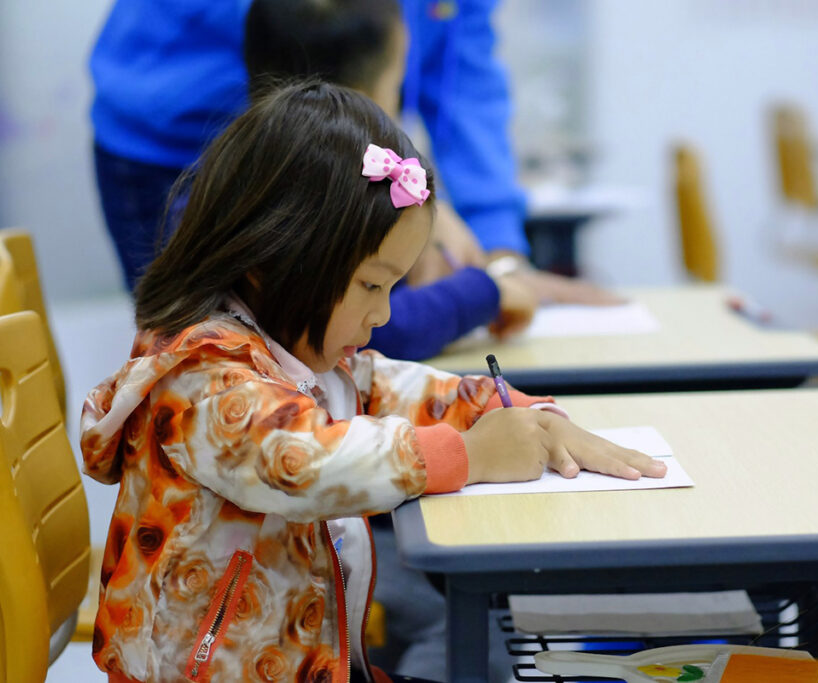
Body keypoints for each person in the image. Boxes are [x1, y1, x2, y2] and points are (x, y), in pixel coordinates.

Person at [80, 81, 666, 683]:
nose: (383, 314)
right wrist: (466, 454)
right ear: (271, 258)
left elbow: (384, 386)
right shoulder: (202, 378)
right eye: (371, 286)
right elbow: (302, 461)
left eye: (393, 287)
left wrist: (508, 409)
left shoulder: (295, 352)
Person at [89, 0, 616, 304]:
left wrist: (498, 254)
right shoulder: (309, 71)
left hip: (326, 136)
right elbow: (363, 336)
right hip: (192, 144)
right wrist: (483, 292)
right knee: (226, 362)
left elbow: (462, 75)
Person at [243, 0, 537, 361]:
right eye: (396, 87)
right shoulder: (314, 201)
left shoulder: (243, 171)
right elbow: (379, 334)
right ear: (364, 100)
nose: (379, 313)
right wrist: (488, 292)